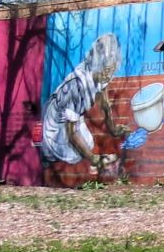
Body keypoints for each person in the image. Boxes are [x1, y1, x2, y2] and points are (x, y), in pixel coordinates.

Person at [39, 33, 128, 170]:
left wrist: (113, 129)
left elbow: (104, 104)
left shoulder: (101, 74)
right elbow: (71, 131)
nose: (109, 76)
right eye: (107, 70)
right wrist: (94, 159)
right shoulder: (77, 86)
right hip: (56, 124)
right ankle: (48, 156)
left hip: (74, 116)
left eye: (111, 71)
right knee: (76, 154)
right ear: (99, 65)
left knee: (88, 143)